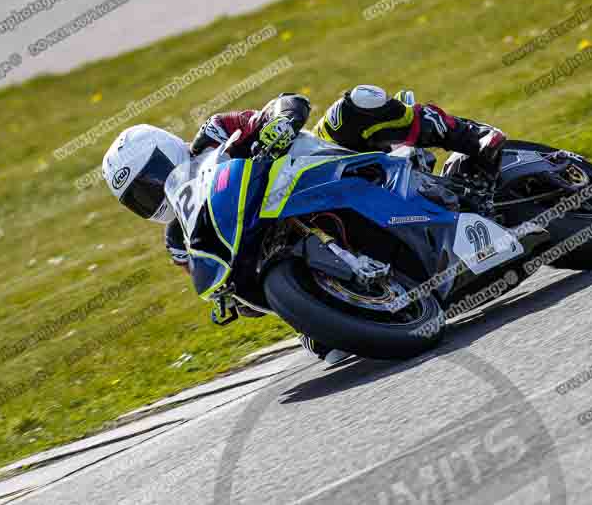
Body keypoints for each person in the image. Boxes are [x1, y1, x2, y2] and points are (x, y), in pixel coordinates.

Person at [102, 85, 507, 363]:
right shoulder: (182, 239)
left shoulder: (212, 138)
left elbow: (285, 103)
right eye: (138, 198)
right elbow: (236, 290)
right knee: (326, 347)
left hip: (325, 169)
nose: (153, 196)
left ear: (166, 150)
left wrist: (279, 122)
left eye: (152, 179)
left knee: (353, 108)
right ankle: (358, 292)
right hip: (286, 246)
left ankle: (473, 139)